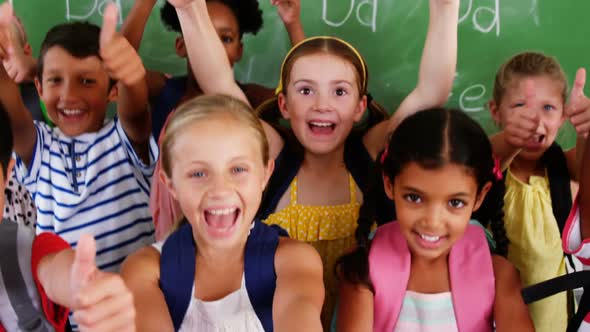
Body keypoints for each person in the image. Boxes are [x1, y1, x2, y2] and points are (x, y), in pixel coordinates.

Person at [121, 94, 324, 332]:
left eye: (238, 169)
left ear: (265, 174)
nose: (219, 190)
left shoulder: (294, 261)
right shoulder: (145, 270)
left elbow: (300, 316)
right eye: (198, 174)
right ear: (171, 184)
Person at [336, 108, 533, 331]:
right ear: (389, 184)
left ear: (480, 197)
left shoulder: (498, 274)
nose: (432, 222)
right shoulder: (362, 269)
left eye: (455, 203)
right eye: (414, 197)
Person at [489, 52, 590, 331]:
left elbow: (584, 165)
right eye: (520, 106)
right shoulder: (491, 164)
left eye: (548, 108)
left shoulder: (560, 167)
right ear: (496, 112)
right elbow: (480, 161)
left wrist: (586, 132)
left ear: (563, 116)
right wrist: (511, 139)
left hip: (555, 321)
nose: (535, 119)